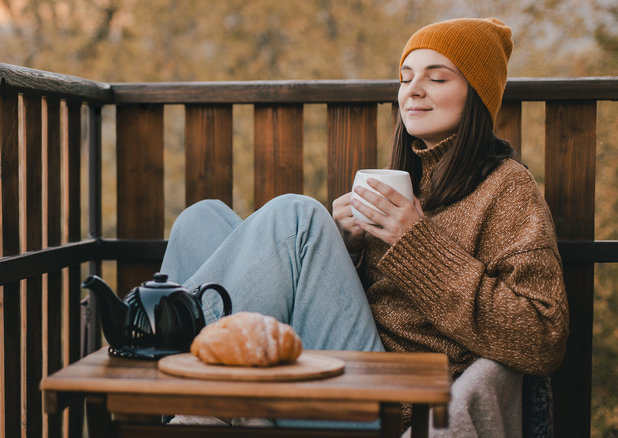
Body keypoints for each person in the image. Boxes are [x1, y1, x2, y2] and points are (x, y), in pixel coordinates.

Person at [161, 17, 569, 432]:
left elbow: (542, 337)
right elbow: (370, 301)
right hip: (343, 357)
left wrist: (414, 243)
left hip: (393, 393)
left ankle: (160, 344)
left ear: (477, 95)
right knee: (201, 219)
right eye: (406, 77)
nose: (414, 90)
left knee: (298, 218)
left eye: (438, 78)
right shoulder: (409, 178)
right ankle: (170, 355)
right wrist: (347, 247)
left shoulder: (506, 187)